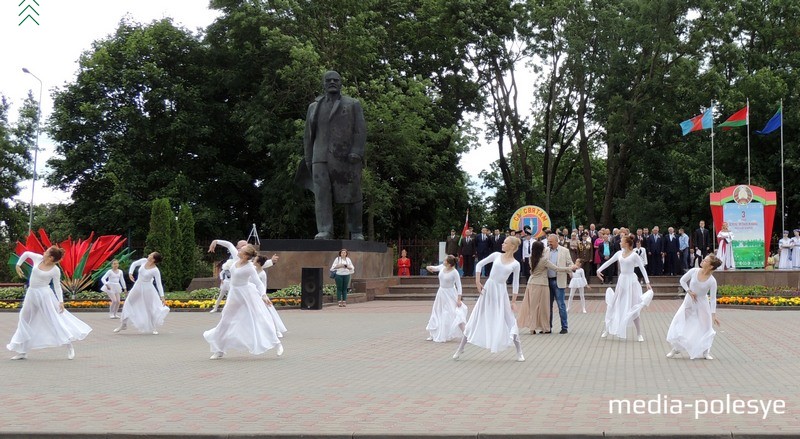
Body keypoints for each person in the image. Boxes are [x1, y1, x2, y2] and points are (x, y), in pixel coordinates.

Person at [301, 70, 367, 240]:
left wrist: (357, 152)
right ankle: (325, 230)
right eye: (328, 80)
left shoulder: (352, 104)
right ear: (323, 84)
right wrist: (309, 158)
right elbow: (308, 135)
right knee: (321, 195)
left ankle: (356, 231)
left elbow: (360, 130)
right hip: (319, 157)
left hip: (347, 158)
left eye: (335, 80)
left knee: (353, 195)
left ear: (340, 84)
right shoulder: (314, 107)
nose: (332, 82)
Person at [8, 247, 92, 360]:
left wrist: (61, 302)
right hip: (31, 293)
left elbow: (57, 286)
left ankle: (69, 346)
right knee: (24, 318)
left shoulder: (55, 270)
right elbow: (26, 254)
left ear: (51, 257)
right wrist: (18, 265)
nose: (44, 252)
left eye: (46, 252)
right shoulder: (38, 258)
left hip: (45, 295)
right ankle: (22, 351)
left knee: (54, 320)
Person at [204, 245, 283, 359]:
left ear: (246, 255)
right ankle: (219, 349)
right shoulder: (236, 260)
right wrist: (216, 242)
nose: (239, 250)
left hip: (246, 294)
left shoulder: (250, 267)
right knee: (225, 320)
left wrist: (264, 295)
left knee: (260, 318)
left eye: (241, 250)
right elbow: (229, 245)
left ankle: (277, 343)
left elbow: (258, 283)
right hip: (234, 294)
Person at [453, 236, 524, 362]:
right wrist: (477, 281)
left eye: (505, 243)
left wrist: (513, 301)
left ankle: (519, 351)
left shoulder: (515, 264)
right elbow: (479, 264)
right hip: (488, 289)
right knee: (475, 317)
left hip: (501, 292)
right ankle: (460, 348)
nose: (502, 244)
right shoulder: (496, 255)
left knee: (510, 320)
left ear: (512, 247)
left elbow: (516, 283)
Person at [597, 234, 654, 341]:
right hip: (622, 281)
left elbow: (642, 268)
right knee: (614, 303)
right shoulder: (619, 253)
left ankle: (639, 334)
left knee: (634, 305)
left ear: (627, 244)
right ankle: (607, 329)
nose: (619, 242)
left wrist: (647, 282)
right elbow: (609, 262)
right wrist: (598, 270)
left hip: (631, 281)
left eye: (621, 241)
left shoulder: (634, 255)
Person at [666, 254, 722, 360]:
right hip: (689, 302)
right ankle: (675, 348)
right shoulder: (694, 271)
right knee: (681, 322)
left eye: (705, 261)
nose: (703, 261)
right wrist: (689, 291)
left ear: (710, 266)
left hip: (702, 303)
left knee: (707, 327)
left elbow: (713, 299)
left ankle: (706, 352)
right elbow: (682, 280)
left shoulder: (712, 281)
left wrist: (713, 315)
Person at [517, 241, 574, 334]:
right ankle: (545, 327)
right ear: (541, 249)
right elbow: (556, 268)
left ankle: (532, 328)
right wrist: (569, 269)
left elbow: (532, 271)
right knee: (544, 307)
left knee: (533, 306)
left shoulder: (531, 258)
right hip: (542, 284)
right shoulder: (544, 260)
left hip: (531, 283)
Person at [114, 252, 170, 335]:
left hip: (148, 288)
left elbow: (159, 284)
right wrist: (130, 273)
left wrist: (162, 296)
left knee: (149, 308)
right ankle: (123, 324)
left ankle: (153, 327)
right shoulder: (144, 261)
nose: (148, 255)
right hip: (137, 286)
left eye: (150, 255)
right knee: (128, 302)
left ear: (153, 259)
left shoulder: (155, 270)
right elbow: (134, 264)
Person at [424, 255, 468, 342]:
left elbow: (459, 286)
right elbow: (434, 268)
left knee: (454, 312)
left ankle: (466, 334)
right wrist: (429, 267)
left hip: (450, 293)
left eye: (445, 261)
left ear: (449, 264)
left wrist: (459, 299)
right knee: (436, 311)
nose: (443, 261)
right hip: (441, 293)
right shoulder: (442, 267)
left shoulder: (454, 272)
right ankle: (433, 333)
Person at [207, 239, 250, 313]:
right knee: (227, 297)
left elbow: (257, 278)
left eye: (246, 245)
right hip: (232, 284)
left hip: (245, 286)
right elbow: (229, 245)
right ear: (238, 248)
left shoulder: (251, 261)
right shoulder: (236, 257)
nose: (245, 247)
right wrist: (216, 241)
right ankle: (220, 309)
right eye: (242, 246)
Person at [545, 234, 574, 334]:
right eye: (548, 241)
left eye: (551, 242)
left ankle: (564, 327)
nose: (549, 243)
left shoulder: (564, 251)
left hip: (559, 280)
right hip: (547, 281)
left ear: (556, 241)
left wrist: (571, 268)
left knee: (561, 305)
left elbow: (570, 263)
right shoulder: (546, 250)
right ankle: (548, 327)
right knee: (548, 306)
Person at [254, 255, 286, 338]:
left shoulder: (262, 274)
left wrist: (263, 296)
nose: (253, 261)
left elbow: (263, 285)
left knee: (269, 313)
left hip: (260, 295)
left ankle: (276, 330)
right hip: (252, 294)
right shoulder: (253, 269)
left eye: (255, 260)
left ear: (258, 263)